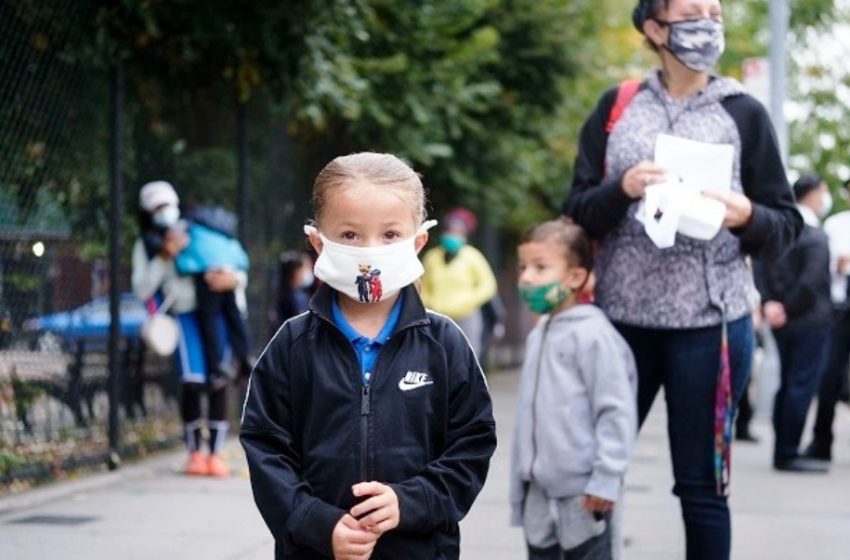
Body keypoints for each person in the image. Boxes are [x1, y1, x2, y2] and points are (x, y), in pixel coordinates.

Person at [562, 1, 802, 558]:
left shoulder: (744, 113)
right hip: (619, 324)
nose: (708, 23)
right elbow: (574, 212)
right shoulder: (617, 107)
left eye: (713, 11)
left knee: (702, 487)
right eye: (691, 12)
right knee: (594, 476)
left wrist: (748, 215)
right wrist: (621, 188)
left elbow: (785, 223)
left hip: (712, 327)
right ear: (654, 28)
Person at [240, 153, 496, 560]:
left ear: (418, 241)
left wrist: (412, 501)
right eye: (351, 235)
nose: (371, 251)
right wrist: (316, 523)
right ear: (318, 242)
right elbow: (266, 446)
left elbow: (473, 443)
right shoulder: (291, 345)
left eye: (390, 234)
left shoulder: (445, 344)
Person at [510, 219, 637, 560]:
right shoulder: (539, 334)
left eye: (540, 267)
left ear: (576, 277)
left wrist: (606, 479)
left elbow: (616, 413)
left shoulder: (595, 336)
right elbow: (527, 414)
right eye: (523, 267)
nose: (526, 277)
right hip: (539, 488)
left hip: (586, 490)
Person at [132, 181, 247, 478]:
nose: (163, 212)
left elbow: (235, 262)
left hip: (217, 312)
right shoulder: (147, 244)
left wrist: (233, 280)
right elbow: (142, 288)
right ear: (147, 212)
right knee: (193, 381)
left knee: (219, 380)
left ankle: (216, 454)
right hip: (184, 315)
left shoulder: (197, 227)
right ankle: (195, 452)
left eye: (166, 204)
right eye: (156, 208)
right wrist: (163, 256)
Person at [755, 173, 833, 472]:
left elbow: (760, 268)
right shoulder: (814, 234)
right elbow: (812, 280)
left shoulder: (778, 231)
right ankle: (788, 452)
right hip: (809, 320)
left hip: (783, 321)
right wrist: (786, 308)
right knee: (800, 385)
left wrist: (770, 304)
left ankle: (782, 449)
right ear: (811, 195)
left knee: (787, 385)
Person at [172, 204, 253, 389]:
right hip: (227, 271)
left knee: (209, 319)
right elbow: (242, 260)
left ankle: (215, 365)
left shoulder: (188, 226)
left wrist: (182, 262)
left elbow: (183, 259)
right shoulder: (221, 232)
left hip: (207, 277)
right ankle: (245, 356)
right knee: (235, 318)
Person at [803, 177, 850, 462]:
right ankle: (821, 441)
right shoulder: (835, 225)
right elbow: (820, 270)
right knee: (829, 376)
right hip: (839, 312)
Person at [420, 208, 498, 356]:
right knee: (438, 355)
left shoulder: (472, 256)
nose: (452, 236)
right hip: (438, 316)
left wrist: (468, 301)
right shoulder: (432, 257)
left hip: (466, 316)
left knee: (467, 355)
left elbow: (488, 285)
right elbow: (423, 284)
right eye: (449, 231)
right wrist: (429, 302)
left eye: (456, 232)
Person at [269, 250, 313, 335]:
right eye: (301, 269)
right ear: (294, 272)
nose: (304, 273)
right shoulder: (293, 298)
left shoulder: (291, 295)